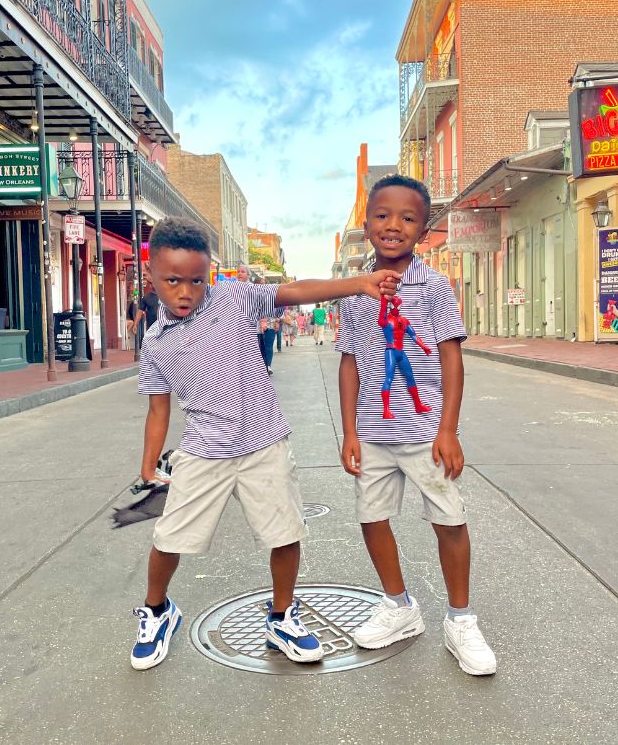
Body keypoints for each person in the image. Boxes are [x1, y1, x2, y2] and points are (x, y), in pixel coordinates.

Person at [131, 216, 399, 671]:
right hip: (202, 451)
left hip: (263, 444)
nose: (185, 292)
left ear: (209, 275)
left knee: (285, 533)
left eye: (196, 280)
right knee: (168, 539)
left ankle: (281, 616)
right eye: (172, 280)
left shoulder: (233, 298)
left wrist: (359, 284)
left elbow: (293, 292)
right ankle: (157, 611)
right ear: (151, 275)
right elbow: (160, 410)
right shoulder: (154, 344)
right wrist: (147, 465)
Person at [336, 174, 496, 676]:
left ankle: (460, 619)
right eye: (383, 215)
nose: (393, 226)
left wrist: (448, 429)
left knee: (449, 519)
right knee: (371, 516)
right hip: (374, 433)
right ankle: (399, 607)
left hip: (427, 432)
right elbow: (349, 362)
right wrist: (350, 431)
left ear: (423, 231)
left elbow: (452, 359)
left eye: (408, 218)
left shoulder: (433, 287)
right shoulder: (354, 291)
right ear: (367, 225)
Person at [133, 275, 160, 340]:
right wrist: (135, 324)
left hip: (164, 326)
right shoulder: (146, 298)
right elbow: (140, 311)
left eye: (153, 283)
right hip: (151, 326)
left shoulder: (165, 296)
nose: (151, 285)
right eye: (150, 283)